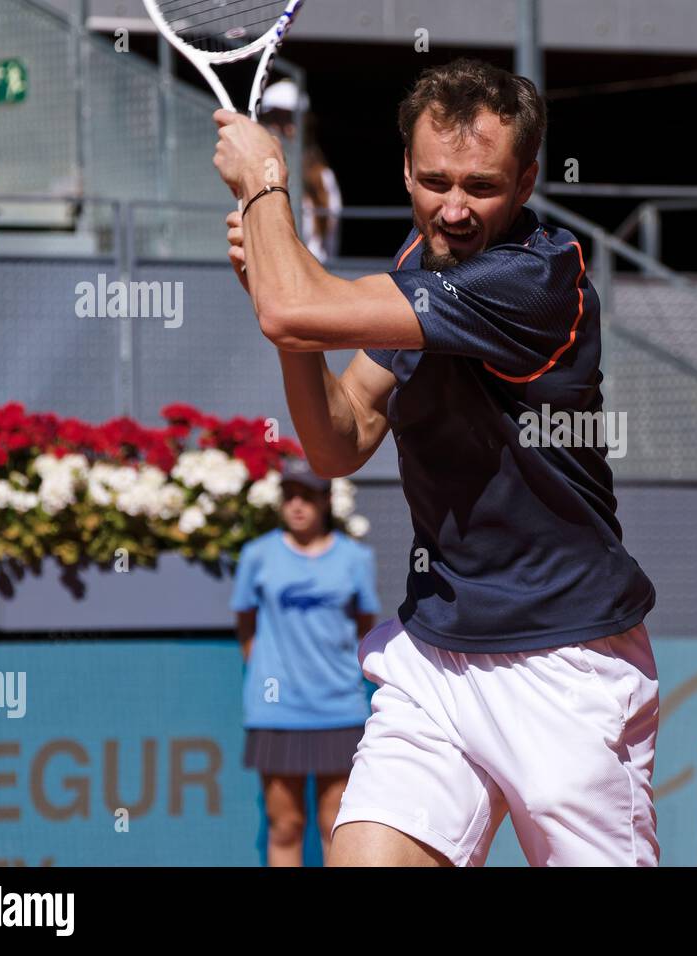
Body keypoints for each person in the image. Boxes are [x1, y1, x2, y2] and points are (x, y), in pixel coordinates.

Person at [214, 57, 659, 867]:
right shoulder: (418, 261)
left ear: (526, 181)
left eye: (481, 186)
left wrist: (265, 181)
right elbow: (338, 441)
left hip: (567, 664)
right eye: (433, 180)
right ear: (406, 172)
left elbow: (296, 302)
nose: (452, 209)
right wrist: (285, 324)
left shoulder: (539, 279)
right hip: (436, 654)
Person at [230, 457, 380, 866]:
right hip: (277, 713)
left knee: (337, 826)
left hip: (339, 709)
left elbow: (363, 628)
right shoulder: (257, 556)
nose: (297, 505)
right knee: (285, 825)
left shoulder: (355, 559)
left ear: (326, 501)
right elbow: (246, 623)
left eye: (307, 496)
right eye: (289, 496)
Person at [257, 80, 343, 262]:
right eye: (274, 118)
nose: (283, 128)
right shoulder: (252, 171)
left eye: (289, 118)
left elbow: (330, 241)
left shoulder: (323, 177)